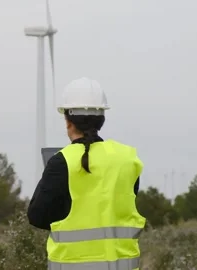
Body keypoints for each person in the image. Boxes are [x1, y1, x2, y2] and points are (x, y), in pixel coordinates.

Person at [27, 77, 146, 270]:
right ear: (102, 119)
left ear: (68, 121)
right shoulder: (127, 158)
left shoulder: (62, 161)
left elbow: (37, 216)